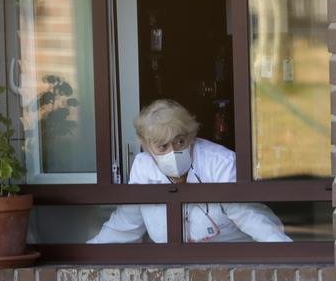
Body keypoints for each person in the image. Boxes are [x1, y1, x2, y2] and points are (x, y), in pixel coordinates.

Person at [89, 100, 291, 244]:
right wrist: (87, 256)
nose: (173, 151)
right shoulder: (143, 168)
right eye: (162, 146)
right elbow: (125, 224)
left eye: (179, 141)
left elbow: (250, 218)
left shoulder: (220, 162)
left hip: (234, 258)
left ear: (191, 136)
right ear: (147, 147)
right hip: (176, 265)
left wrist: (287, 254)